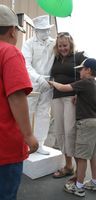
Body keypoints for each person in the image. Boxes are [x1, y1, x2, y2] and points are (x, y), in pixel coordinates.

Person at [0, 4, 39, 200]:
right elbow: (16, 96)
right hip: (4, 145)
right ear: (12, 31)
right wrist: (29, 135)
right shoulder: (9, 52)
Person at [49, 58, 96, 197]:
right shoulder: (95, 85)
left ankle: (79, 187)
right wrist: (78, 96)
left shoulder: (85, 82)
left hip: (85, 124)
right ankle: (95, 182)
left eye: (81, 69)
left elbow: (64, 88)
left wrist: (52, 82)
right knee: (93, 155)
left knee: (81, 156)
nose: (79, 72)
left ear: (88, 70)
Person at [50, 32, 87, 178]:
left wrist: (80, 92)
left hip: (71, 97)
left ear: (70, 44)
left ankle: (80, 170)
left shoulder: (78, 57)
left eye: (65, 45)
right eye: (60, 46)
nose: (62, 48)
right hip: (56, 98)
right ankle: (68, 166)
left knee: (70, 131)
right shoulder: (55, 58)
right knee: (60, 131)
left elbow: (91, 71)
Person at [22, 15, 55, 155]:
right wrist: (38, 78)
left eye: (48, 30)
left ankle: (40, 143)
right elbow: (26, 64)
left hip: (48, 84)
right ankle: (26, 143)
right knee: (28, 112)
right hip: (32, 83)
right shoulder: (28, 44)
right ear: (36, 30)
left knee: (43, 114)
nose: (46, 33)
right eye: (43, 30)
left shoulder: (54, 43)